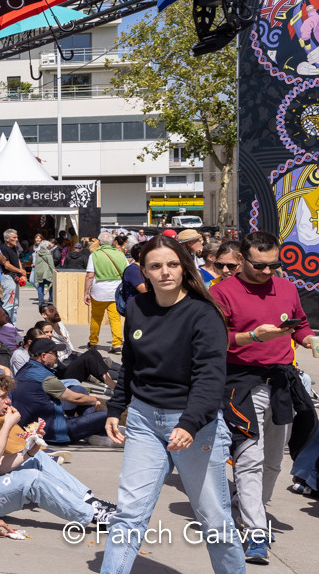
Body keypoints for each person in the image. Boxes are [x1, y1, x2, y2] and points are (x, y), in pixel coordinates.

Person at [101, 235, 245, 573]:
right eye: (155, 266)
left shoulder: (204, 313)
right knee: (129, 513)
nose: (165, 272)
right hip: (143, 420)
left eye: (172, 264)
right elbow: (130, 366)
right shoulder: (136, 307)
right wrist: (114, 408)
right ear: (143, 272)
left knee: (214, 519)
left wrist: (190, 423)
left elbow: (210, 378)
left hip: (195, 425)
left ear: (184, 267)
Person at [211, 231, 316, 564]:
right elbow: (214, 339)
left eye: (274, 265)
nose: (268, 272)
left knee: (273, 460)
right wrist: (252, 335)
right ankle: (255, 530)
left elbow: (298, 323)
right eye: (260, 266)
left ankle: (250, 507)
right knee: (250, 458)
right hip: (241, 381)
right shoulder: (222, 292)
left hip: (282, 380)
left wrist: (309, 338)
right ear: (242, 259)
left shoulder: (284, 287)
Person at [0, 369, 115, 530]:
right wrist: (8, 425)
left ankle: (89, 500)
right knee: (32, 479)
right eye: (2, 397)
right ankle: (92, 515)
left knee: (36, 457)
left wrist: (30, 450)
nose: (8, 401)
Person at [11, 338, 107, 444]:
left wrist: (88, 399)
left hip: (32, 424)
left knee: (80, 390)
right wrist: (94, 400)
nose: (57, 356)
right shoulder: (44, 377)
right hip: (54, 432)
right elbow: (75, 398)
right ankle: (92, 432)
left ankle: (90, 431)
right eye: (55, 353)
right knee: (108, 414)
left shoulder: (24, 370)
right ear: (43, 356)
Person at [84, 230, 128, 353]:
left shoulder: (94, 255)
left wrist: (86, 293)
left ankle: (93, 342)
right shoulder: (120, 255)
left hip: (98, 291)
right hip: (116, 292)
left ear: (99, 242)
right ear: (113, 242)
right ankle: (117, 344)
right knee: (115, 319)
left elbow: (90, 276)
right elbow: (127, 272)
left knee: (96, 318)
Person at [0, 229, 24, 323]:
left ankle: (13, 325)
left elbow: (17, 260)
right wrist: (20, 271)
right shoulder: (3, 248)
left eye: (17, 237)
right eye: (14, 237)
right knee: (9, 303)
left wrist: (22, 272)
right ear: (7, 239)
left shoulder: (14, 248)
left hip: (14, 278)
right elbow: (6, 265)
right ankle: (5, 325)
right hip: (8, 277)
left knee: (15, 304)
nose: (17, 239)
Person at [31, 240, 57, 308]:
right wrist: (54, 271)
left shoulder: (38, 254)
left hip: (39, 272)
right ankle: (51, 299)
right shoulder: (48, 254)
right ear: (47, 247)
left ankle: (41, 300)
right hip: (47, 273)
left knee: (40, 286)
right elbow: (51, 265)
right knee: (51, 286)